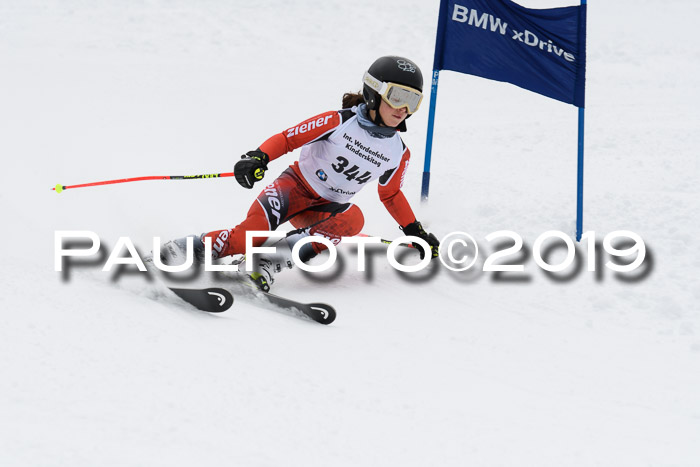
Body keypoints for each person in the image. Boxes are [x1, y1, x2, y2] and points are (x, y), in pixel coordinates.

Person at [170, 56, 440, 291]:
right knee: (246, 238)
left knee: (353, 218)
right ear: (375, 92)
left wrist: (414, 231)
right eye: (397, 97)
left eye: (413, 101)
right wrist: (258, 156)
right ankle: (178, 250)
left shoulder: (398, 152)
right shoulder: (339, 121)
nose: (403, 109)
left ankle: (264, 262)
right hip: (293, 189)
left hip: (324, 209)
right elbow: (288, 139)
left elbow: (391, 194)